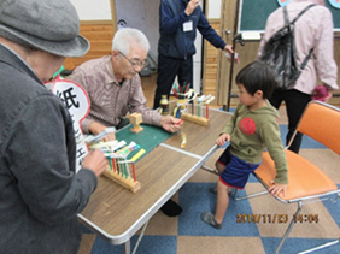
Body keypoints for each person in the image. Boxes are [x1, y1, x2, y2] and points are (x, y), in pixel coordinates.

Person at [0, 0, 108, 253]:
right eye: (61, 57)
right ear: (43, 49)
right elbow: (56, 203)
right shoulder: (34, 102)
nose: (60, 68)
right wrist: (89, 173)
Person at [69, 28, 183, 217]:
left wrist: (161, 119)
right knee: (108, 180)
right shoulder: (85, 74)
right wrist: (93, 125)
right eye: (134, 62)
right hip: (89, 136)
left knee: (145, 159)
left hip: (116, 130)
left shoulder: (133, 77)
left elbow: (139, 109)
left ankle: (156, 200)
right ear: (115, 55)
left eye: (142, 62)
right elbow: (67, 115)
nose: (139, 69)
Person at [200, 61, 288, 229]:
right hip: (235, 149)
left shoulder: (266, 120)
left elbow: (277, 149)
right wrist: (226, 133)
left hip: (246, 158)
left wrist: (282, 178)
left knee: (221, 184)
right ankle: (229, 188)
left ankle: (217, 220)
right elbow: (233, 119)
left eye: (241, 91)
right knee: (219, 165)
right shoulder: (245, 103)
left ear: (258, 94)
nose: (238, 95)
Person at [258, 0, 338, 154]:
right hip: (301, 81)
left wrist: (259, 76)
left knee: (263, 121)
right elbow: (324, 52)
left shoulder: (277, 13)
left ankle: (258, 160)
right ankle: (290, 162)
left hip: (271, 79)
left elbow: (264, 49)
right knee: (295, 128)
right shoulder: (321, 14)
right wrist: (328, 83)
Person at [153, 0, 234, 109]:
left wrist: (223, 45)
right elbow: (167, 28)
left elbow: (206, 29)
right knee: (163, 92)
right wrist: (185, 13)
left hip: (187, 57)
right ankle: (157, 118)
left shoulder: (196, 8)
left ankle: (187, 118)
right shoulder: (168, 2)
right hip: (169, 56)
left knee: (188, 94)